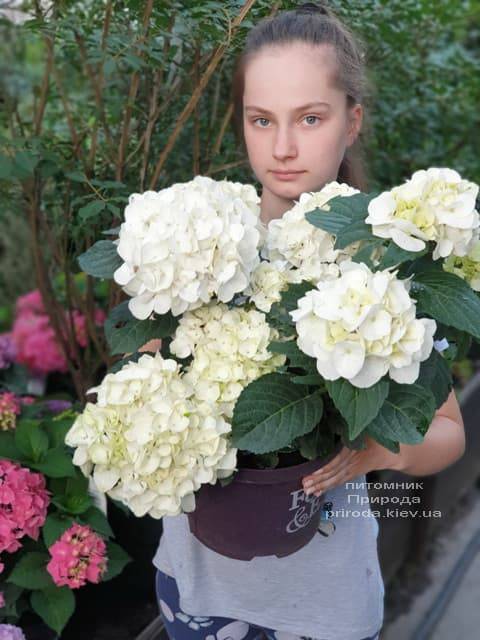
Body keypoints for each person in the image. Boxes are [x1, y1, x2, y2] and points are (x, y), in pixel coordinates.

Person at [143, 3, 466, 639]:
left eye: (310, 118)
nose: (283, 148)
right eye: (261, 120)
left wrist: (381, 450)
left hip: (323, 606)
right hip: (196, 588)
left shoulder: (387, 263)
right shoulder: (190, 243)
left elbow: (450, 432)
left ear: (352, 122)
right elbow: (145, 366)